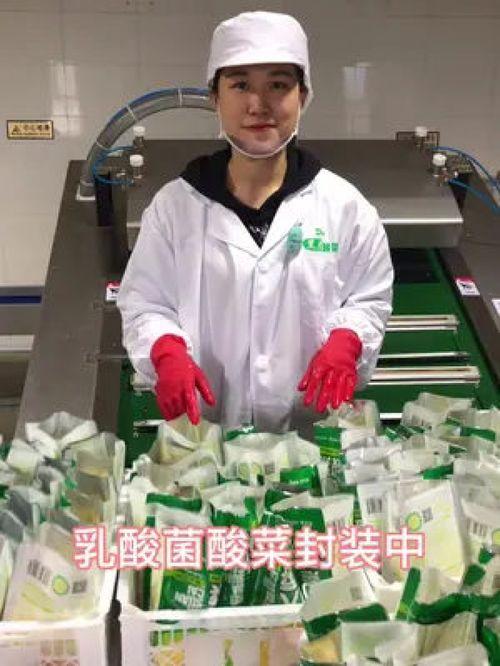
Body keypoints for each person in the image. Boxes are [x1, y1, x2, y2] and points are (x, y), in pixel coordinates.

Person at [117, 11, 393, 436]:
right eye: (240, 84)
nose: (257, 105)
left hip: (310, 437)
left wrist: (348, 340)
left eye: (278, 85)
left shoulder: (345, 208)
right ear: (215, 97)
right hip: (207, 437)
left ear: (303, 96)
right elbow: (145, 304)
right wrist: (166, 350)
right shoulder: (174, 208)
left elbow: (368, 299)